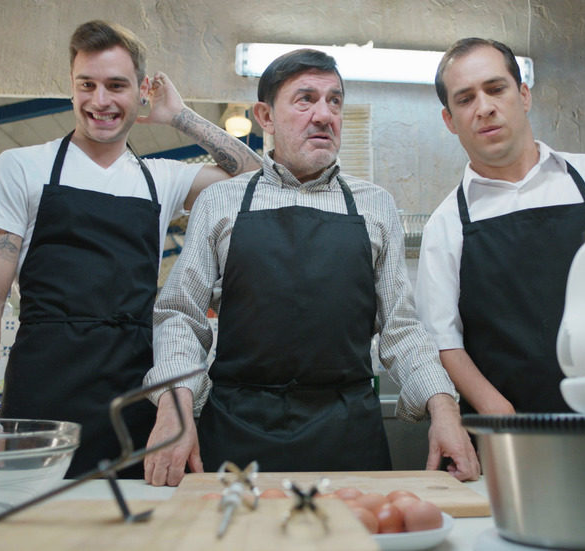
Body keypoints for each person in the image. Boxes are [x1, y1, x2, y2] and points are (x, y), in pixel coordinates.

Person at [142, 48, 480, 486]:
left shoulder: (375, 206)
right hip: (237, 433)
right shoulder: (221, 201)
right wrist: (174, 406)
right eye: (305, 99)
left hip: (347, 435)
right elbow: (180, 316)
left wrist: (444, 407)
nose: (324, 115)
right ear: (265, 116)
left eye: (334, 100)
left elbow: (401, 329)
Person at [0, 20, 260, 478]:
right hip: (43, 393)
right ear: (71, 89)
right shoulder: (21, 168)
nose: (100, 101)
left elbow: (253, 181)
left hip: (134, 396)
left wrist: (180, 117)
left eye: (116, 86)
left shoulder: (160, 179)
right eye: (86, 85)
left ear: (142, 90)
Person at [416, 38, 585, 415]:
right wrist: (503, 418)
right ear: (450, 121)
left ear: (523, 95)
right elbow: (443, 341)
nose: (484, 108)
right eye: (465, 98)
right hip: (512, 441)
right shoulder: (446, 224)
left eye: (495, 89)